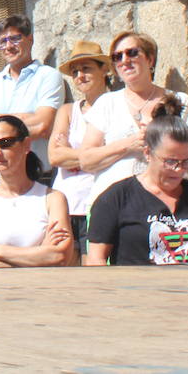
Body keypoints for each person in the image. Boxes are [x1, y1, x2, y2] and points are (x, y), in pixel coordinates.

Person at [79, 31, 188, 204]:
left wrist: (168, 138)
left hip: (175, 202)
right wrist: (128, 144)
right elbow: (86, 160)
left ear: (150, 59)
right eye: (117, 56)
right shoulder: (106, 103)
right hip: (118, 205)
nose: (125, 60)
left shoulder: (180, 101)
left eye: (132, 53)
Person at [86, 100, 188, 265]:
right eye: (170, 161)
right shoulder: (116, 198)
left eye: (186, 162)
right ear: (148, 153)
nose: (179, 170)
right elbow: (96, 260)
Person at [0, 116, 74, 268]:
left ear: (26, 145)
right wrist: (39, 253)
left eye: (5, 143)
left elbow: (59, 256)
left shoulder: (53, 199)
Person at [0, 16, 64, 173]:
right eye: (2, 41)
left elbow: (42, 126)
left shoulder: (48, 76)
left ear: (30, 39)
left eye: (15, 38)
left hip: (33, 176)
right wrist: (25, 118)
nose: (8, 46)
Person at [48, 41, 114, 253]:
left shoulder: (115, 107)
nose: (80, 76)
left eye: (86, 69)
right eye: (75, 72)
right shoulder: (68, 111)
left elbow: (118, 155)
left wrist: (72, 153)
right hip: (65, 203)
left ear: (104, 69)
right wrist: (96, 156)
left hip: (97, 202)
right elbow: (55, 156)